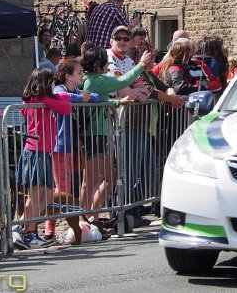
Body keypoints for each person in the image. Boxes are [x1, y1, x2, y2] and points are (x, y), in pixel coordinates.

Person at [79, 46, 155, 224]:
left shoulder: (94, 80)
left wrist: (117, 102)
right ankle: (83, 220)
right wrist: (142, 65)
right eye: (104, 61)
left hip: (101, 133)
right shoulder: (96, 79)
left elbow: (101, 100)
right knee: (89, 180)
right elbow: (123, 81)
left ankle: (93, 217)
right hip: (94, 135)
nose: (108, 63)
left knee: (109, 176)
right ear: (99, 64)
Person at [14, 68, 71, 248]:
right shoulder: (40, 99)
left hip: (44, 150)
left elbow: (64, 103)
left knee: (47, 195)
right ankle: (28, 232)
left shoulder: (42, 100)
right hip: (35, 149)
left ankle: (19, 227)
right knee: (36, 194)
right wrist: (51, 98)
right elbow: (66, 108)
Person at [42, 58, 95, 242]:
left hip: (72, 144)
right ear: (68, 76)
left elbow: (94, 97)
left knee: (67, 187)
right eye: (79, 72)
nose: (82, 75)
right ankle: (48, 230)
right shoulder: (61, 89)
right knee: (62, 189)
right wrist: (82, 98)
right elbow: (60, 97)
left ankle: (61, 227)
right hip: (60, 145)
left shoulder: (76, 90)